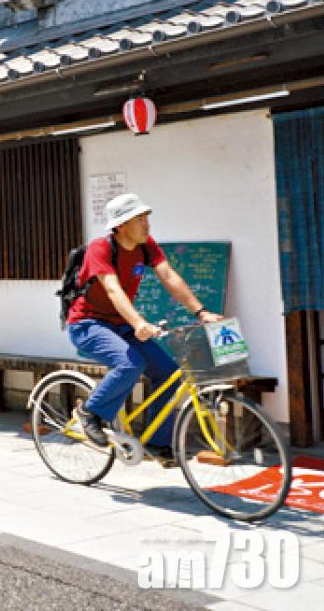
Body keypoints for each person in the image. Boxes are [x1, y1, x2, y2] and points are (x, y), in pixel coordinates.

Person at [67, 193, 224, 462]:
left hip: (121, 324)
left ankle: (157, 442)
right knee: (130, 363)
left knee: (168, 372)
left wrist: (200, 312)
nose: (146, 224)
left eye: (146, 217)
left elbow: (168, 276)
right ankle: (89, 413)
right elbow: (113, 290)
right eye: (139, 219)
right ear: (121, 225)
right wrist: (138, 322)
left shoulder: (146, 246)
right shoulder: (100, 248)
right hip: (88, 324)